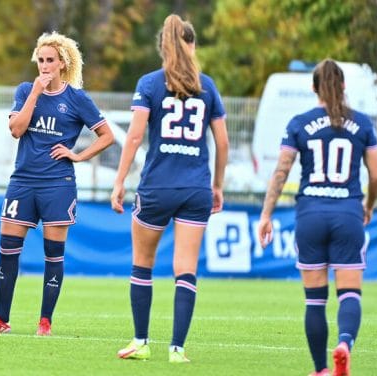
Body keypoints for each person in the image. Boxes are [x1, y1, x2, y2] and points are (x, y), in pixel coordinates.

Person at [0, 32, 114, 335]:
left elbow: (107, 136)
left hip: (57, 184)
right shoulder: (26, 90)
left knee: (53, 253)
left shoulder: (76, 99)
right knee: (7, 249)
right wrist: (36, 94)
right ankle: (0, 319)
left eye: (51, 60)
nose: (45, 66)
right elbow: (16, 130)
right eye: (41, 60)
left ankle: (45, 322)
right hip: (23, 181)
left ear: (62, 63)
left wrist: (78, 156)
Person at [110, 14, 229, 363]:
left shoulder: (149, 83)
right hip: (196, 189)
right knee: (186, 268)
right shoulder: (207, 85)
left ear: (162, 46)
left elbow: (133, 136)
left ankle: (141, 342)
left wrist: (119, 181)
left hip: (158, 186)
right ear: (191, 46)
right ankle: (177, 349)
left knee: (142, 264)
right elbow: (222, 142)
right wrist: (217, 184)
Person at [257, 59, 377, 376]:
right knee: (349, 293)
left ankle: (321, 369)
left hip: (310, 214)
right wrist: (367, 205)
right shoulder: (363, 124)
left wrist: (266, 214)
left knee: (315, 301)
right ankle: (344, 343)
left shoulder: (299, 123)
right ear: (343, 86)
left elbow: (281, 171)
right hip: (348, 214)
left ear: (314, 88)